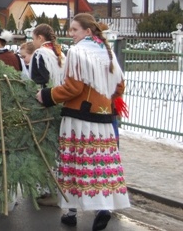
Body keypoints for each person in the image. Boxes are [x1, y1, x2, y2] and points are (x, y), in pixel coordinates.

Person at [36, 13, 130, 230]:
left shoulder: (77, 52)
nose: (71, 34)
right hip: (104, 119)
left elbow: (73, 88)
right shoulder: (107, 52)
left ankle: (71, 212)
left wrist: (47, 95)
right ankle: (103, 207)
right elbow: (120, 87)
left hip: (80, 118)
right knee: (100, 165)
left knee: (75, 164)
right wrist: (102, 100)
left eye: (74, 29)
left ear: (87, 31)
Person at [30, 23, 65, 88]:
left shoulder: (39, 54)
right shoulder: (60, 53)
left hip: (43, 94)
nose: (33, 42)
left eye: (33, 39)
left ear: (40, 38)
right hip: (58, 93)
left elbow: (38, 80)